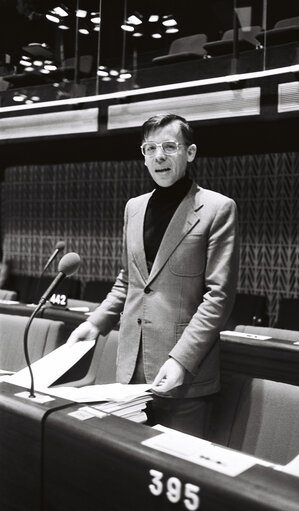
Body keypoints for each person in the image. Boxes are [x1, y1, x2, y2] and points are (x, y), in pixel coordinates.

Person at [67, 113, 239, 437]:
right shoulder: (133, 207)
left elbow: (219, 297)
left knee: (175, 470)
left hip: (183, 375)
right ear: (144, 156)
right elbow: (128, 280)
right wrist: (95, 323)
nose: (159, 156)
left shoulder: (218, 208)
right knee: (127, 469)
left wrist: (181, 361)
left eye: (170, 146)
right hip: (130, 370)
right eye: (150, 148)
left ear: (190, 153)